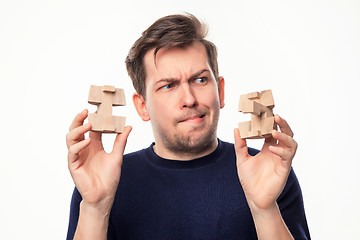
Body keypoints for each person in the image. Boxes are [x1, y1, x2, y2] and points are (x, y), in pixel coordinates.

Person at [66, 14, 310, 240]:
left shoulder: (268, 169)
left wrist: (265, 209)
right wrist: (95, 208)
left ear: (220, 91)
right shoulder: (104, 178)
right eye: (168, 85)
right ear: (142, 106)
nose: (190, 99)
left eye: (200, 79)